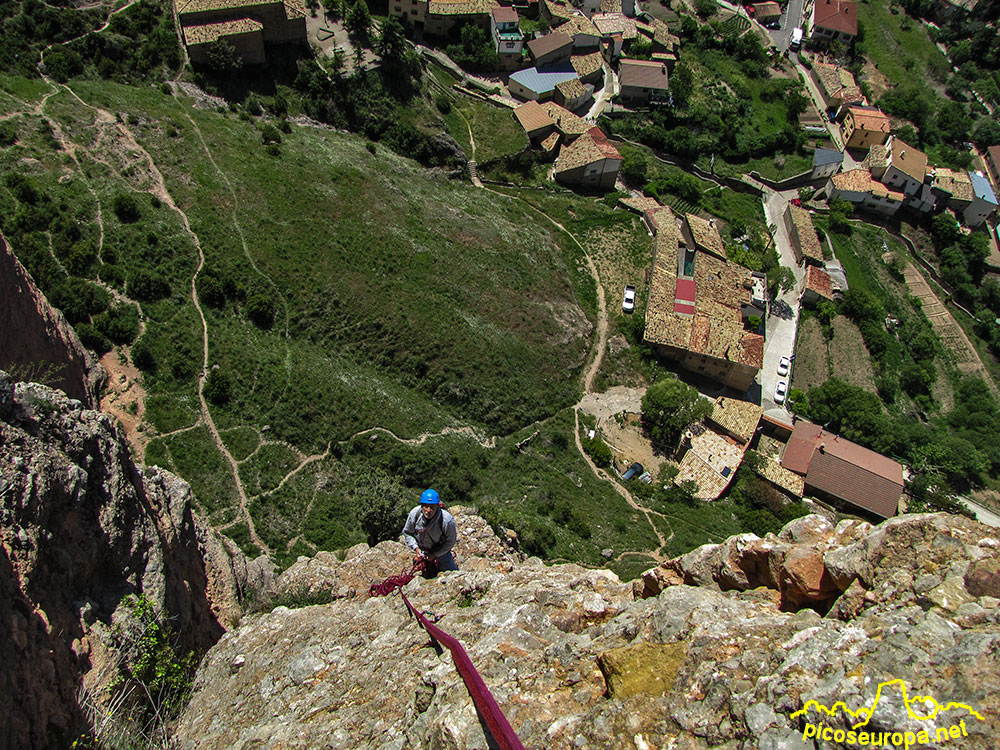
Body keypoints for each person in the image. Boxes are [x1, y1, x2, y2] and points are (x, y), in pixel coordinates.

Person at [402, 488, 458, 574]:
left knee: (450, 573)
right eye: (426, 506)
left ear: (437, 506)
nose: (428, 510)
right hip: (421, 550)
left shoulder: (446, 520)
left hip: (440, 549)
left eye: (432, 507)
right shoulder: (414, 514)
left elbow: (450, 541)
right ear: (421, 506)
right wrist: (416, 547)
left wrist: (435, 554)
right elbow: (407, 532)